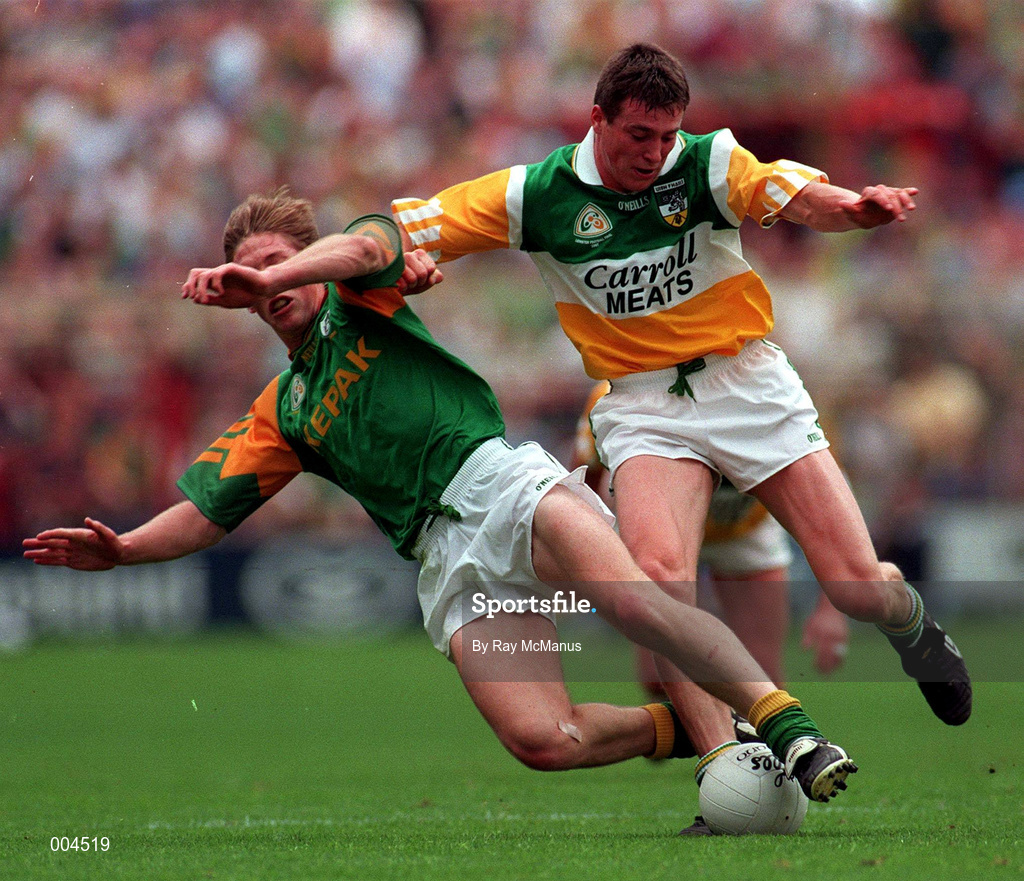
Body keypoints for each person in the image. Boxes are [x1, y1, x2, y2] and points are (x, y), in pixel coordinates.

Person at [24, 189, 856, 820]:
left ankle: (782, 732)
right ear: (240, 299)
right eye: (257, 274)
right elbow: (206, 511)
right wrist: (127, 549)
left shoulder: (357, 298)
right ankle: (686, 731)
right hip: (447, 560)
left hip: (501, 486)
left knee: (644, 602)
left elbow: (364, 249)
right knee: (545, 741)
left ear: (301, 263)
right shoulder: (283, 408)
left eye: (281, 264)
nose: (271, 283)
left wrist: (290, 267)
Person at [391, 41, 971, 797]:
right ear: (597, 119)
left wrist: (855, 209)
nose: (656, 153)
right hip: (641, 404)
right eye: (639, 135)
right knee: (658, 584)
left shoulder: (708, 163)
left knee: (857, 585)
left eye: (668, 135)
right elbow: (410, 224)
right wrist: (399, 258)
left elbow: (791, 194)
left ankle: (911, 624)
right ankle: (724, 762)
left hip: (748, 383)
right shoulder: (536, 194)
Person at [572, 380, 850, 693]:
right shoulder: (615, 392)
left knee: (763, 675)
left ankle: (755, 737)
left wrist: (832, 608)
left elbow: (832, 510)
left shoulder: (777, 391)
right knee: (660, 677)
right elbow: (581, 484)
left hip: (743, 531)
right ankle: (715, 739)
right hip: (665, 527)